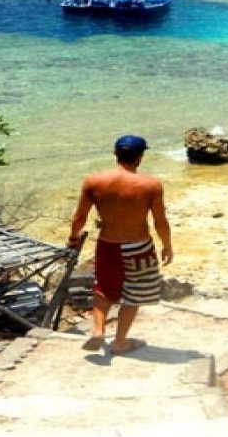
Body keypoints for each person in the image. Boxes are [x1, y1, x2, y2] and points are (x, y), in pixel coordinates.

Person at [68, 134, 173, 355]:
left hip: (108, 245)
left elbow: (79, 217)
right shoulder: (150, 185)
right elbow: (160, 221)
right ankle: (120, 342)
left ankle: (98, 330)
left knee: (103, 288)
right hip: (139, 247)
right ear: (141, 156)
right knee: (135, 294)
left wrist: (73, 238)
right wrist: (167, 245)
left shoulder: (93, 181)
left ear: (115, 153)